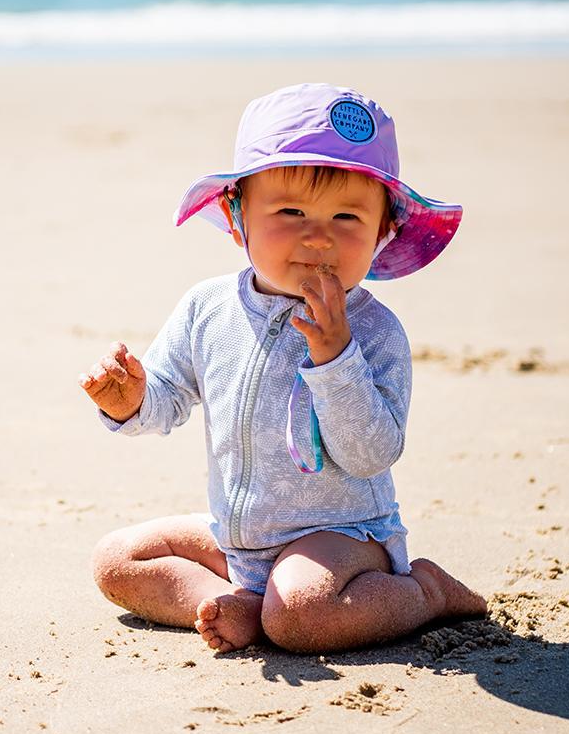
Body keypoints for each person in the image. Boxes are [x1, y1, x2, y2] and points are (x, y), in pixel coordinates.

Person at [80, 83, 486, 654]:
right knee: (116, 559)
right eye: (290, 211)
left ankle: (424, 591)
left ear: (382, 232)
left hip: (340, 540)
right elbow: (166, 397)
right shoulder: (207, 308)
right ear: (237, 213)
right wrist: (128, 401)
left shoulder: (374, 332)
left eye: (347, 216)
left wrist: (335, 358)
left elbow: (373, 453)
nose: (318, 236)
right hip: (238, 537)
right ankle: (240, 603)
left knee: (303, 615)